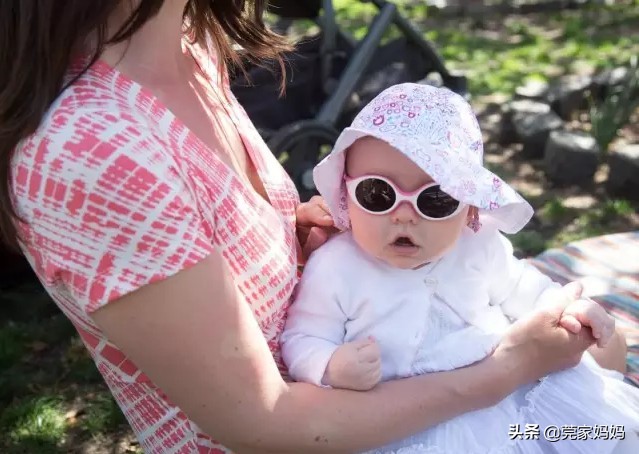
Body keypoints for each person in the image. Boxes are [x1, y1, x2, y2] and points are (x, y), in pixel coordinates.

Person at [0, 1, 624, 453]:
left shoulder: (187, 40)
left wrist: (288, 233)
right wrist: (509, 370)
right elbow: (261, 424)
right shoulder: (92, 147)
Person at [281, 83, 639, 454]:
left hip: (506, 402)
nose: (404, 215)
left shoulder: (478, 243)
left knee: (599, 433)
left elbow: (523, 288)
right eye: (378, 194)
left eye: (435, 199)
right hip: (401, 422)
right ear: (346, 195)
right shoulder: (336, 266)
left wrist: (568, 309)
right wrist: (329, 364)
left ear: (469, 208)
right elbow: (303, 337)